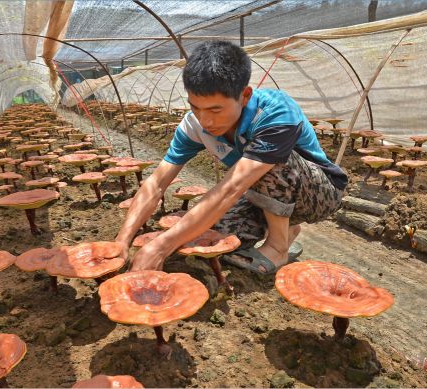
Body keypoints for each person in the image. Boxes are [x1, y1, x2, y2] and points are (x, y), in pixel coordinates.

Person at [115, 41, 347, 275]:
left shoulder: (275, 112)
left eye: (216, 110)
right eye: (195, 108)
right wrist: (122, 240)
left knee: (271, 161)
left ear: (245, 96)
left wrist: (160, 248)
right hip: (258, 192)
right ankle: (288, 230)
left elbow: (232, 187)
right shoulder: (193, 125)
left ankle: (278, 247)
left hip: (320, 194)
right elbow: (156, 183)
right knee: (210, 234)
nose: (205, 121)